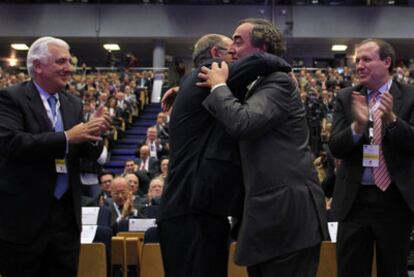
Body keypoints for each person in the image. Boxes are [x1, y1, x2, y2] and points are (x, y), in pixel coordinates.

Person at [198, 19, 327, 276]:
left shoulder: (278, 82)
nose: (231, 48)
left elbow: (242, 122)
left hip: (287, 219)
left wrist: (218, 86)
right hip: (266, 221)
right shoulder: (254, 87)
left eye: (238, 40)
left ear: (262, 49)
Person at [157, 33, 293, 277]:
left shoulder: (194, 83)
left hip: (194, 208)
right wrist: (285, 64)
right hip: (190, 210)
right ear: (215, 55)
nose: (234, 55)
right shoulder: (208, 72)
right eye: (230, 50)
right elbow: (258, 62)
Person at [0, 36, 111, 276]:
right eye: (61, 62)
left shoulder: (72, 103)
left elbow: (83, 154)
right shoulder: (11, 98)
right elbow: (12, 144)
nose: (69, 68)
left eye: (69, 62)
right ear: (38, 66)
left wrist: (94, 133)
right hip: (25, 218)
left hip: (65, 218)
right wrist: (66, 137)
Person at [328, 38, 414, 276]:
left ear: (387, 62)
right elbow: (335, 147)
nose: (359, 66)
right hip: (353, 203)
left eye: (367, 59)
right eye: (357, 61)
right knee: (351, 270)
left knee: (393, 270)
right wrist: (357, 126)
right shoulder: (347, 97)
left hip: (394, 202)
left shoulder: (409, 95)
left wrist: (393, 121)